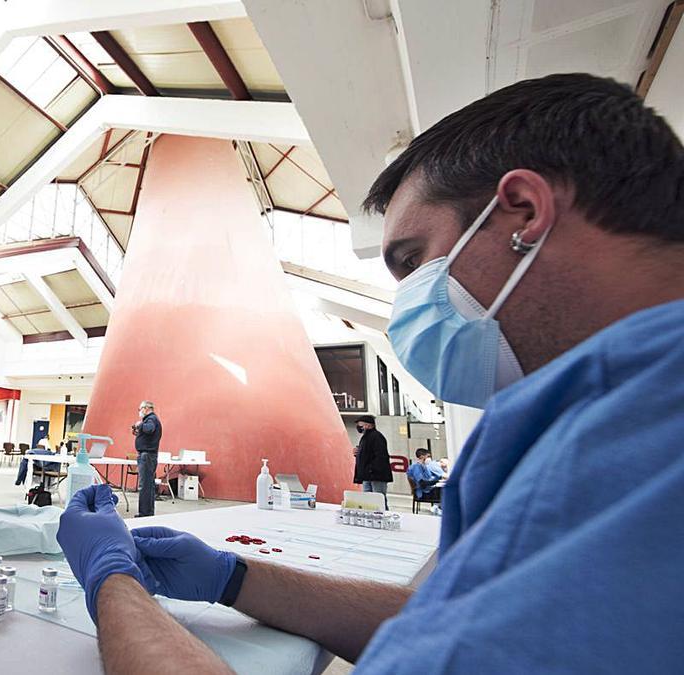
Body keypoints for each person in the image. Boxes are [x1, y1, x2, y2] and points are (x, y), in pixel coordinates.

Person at [56, 73, 684, 673]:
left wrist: (114, 584)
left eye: (413, 262)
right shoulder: (603, 411)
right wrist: (233, 576)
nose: (407, 302)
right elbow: (442, 621)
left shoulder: (628, 442)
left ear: (522, 211)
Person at [352, 414, 392, 509]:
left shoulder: (376, 437)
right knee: (368, 500)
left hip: (375, 475)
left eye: (361, 425)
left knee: (378, 499)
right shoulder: (366, 438)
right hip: (368, 475)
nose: (359, 427)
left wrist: (371, 469)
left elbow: (381, 456)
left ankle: (383, 516)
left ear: (369, 425)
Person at [131, 400, 162, 517]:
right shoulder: (152, 419)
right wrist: (138, 432)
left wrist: (140, 425)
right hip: (149, 456)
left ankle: (144, 513)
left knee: (144, 486)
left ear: (146, 408)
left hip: (147, 456)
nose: (139, 412)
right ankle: (148, 512)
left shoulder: (151, 419)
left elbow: (150, 428)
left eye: (140, 409)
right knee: (149, 485)